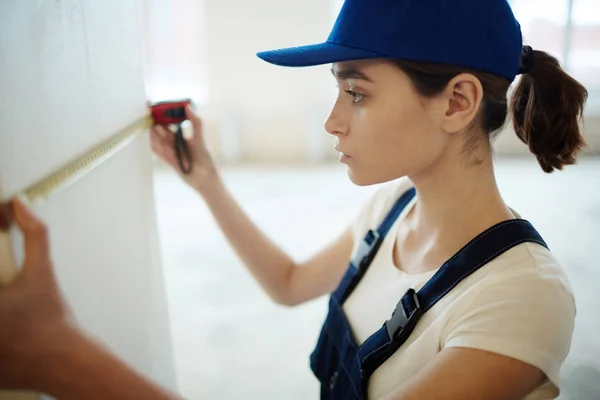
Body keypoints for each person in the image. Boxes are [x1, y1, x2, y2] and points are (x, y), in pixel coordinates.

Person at [0, 0, 588, 398]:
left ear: (456, 103)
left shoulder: (520, 299)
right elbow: (288, 282)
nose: (333, 122)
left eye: (356, 94)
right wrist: (207, 180)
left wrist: (63, 359)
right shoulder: (393, 209)